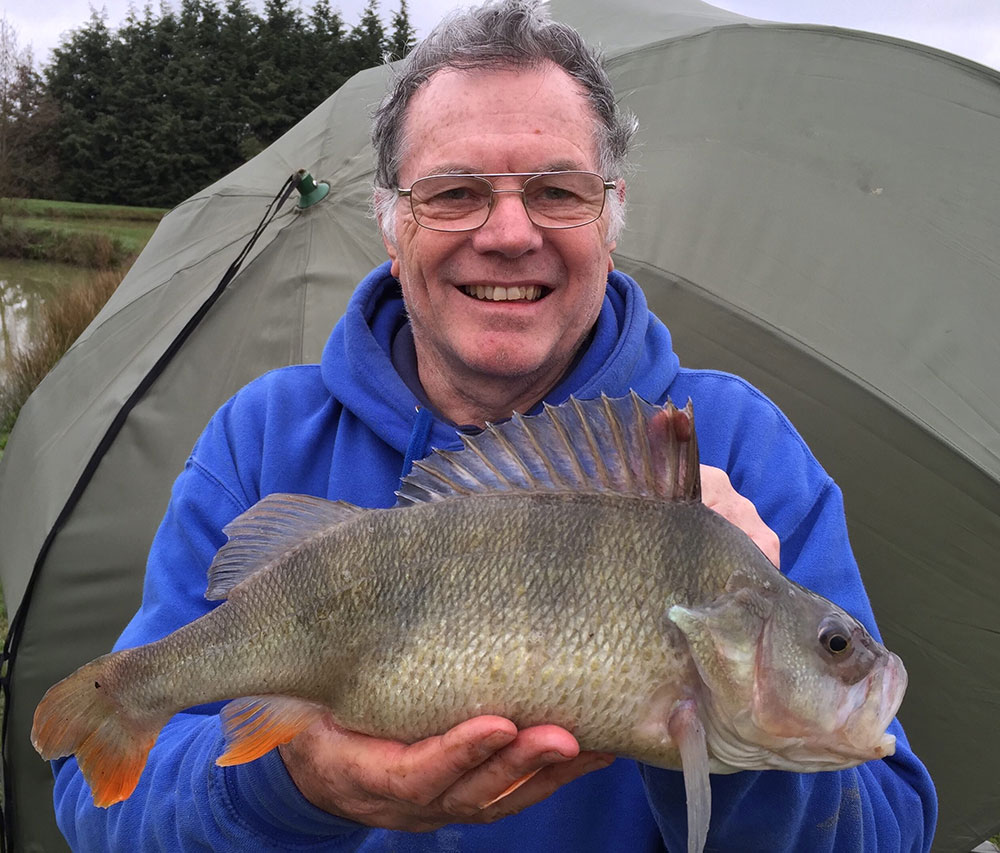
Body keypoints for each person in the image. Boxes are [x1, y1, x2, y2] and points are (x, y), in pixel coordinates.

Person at [51, 1, 937, 849]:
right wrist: (290, 788)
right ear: (394, 226)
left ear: (610, 217)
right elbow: (100, 810)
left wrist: (727, 735)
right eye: (455, 193)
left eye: (557, 191)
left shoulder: (740, 448)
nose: (510, 232)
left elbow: (888, 826)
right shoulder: (260, 439)